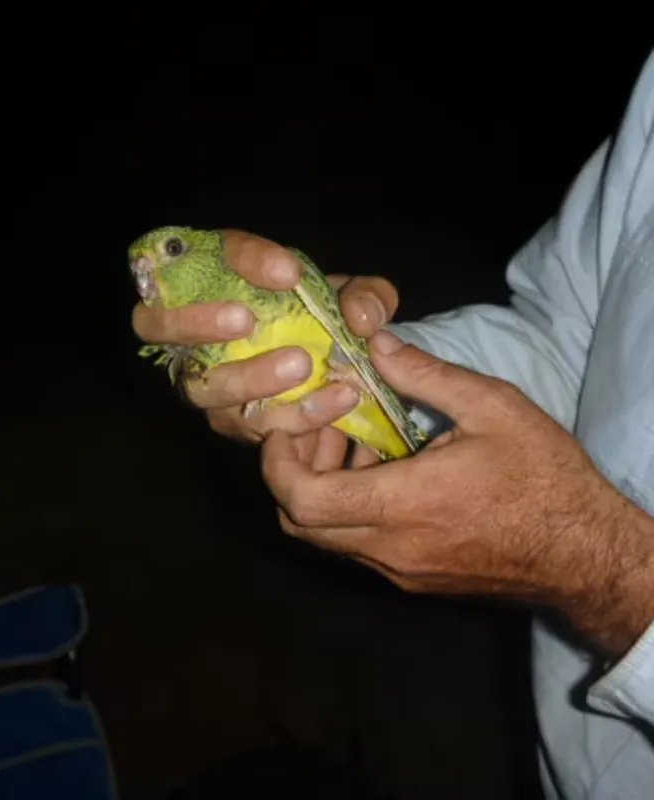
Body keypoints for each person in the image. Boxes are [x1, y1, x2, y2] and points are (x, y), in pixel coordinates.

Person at [131, 50, 654, 798]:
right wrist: (363, 365)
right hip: (556, 755)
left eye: (171, 250)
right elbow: (570, 336)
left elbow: (591, 551)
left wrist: (598, 568)